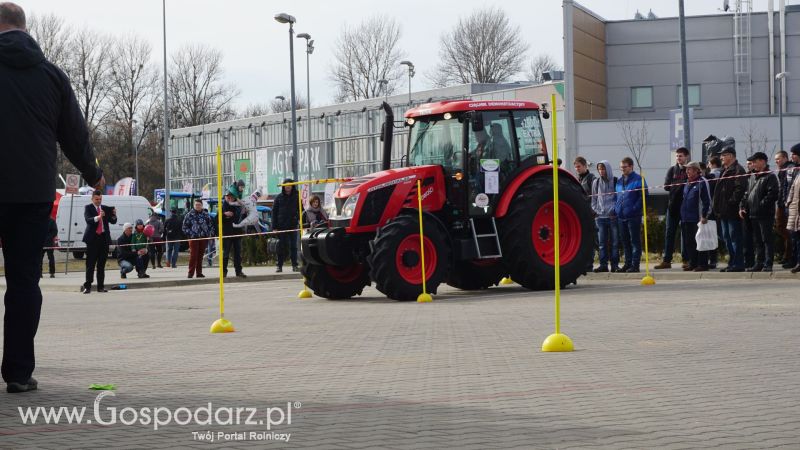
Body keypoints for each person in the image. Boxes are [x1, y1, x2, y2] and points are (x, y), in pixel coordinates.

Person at [0, 3, 105, 393]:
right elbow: (75, 136)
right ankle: (18, 373)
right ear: (25, 30)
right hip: (31, 194)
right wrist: (95, 175)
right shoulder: (52, 76)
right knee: (24, 282)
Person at [740, 152, 779, 272]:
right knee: (757, 240)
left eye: (755, 161)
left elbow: (772, 194)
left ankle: (768, 264)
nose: (753, 164)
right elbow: (747, 193)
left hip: (765, 214)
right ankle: (759, 263)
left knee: (766, 239)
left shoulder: (770, 176)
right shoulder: (752, 176)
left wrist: (760, 206)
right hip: (752, 214)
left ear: (763, 161)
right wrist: (742, 206)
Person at [712, 147, 747, 272]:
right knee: (726, 238)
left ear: (731, 156)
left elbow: (739, 190)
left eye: (724, 155)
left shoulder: (738, 170)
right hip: (723, 212)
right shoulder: (724, 170)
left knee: (734, 238)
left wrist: (730, 203)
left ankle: (738, 263)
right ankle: (732, 262)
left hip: (732, 211)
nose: (721, 157)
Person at [655, 147, 689, 269]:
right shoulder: (672, 170)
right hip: (672, 206)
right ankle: (667, 261)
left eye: (681, 156)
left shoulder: (690, 170)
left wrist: (676, 186)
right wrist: (679, 185)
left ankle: (686, 260)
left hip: (685, 207)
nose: (678, 158)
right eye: (677, 156)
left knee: (685, 234)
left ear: (686, 157)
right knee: (669, 233)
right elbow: (666, 186)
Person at [615, 157, 647, 273]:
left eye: (625, 167)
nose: (622, 169)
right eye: (621, 167)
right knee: (625, 241)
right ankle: (627, 264)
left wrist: (635, 209)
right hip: (621, 216)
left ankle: (635, 265)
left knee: (635, 241)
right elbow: (617, 197)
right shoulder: (619, 181)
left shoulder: (639, 180)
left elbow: (643, 197)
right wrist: (616, 209)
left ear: (631, 166)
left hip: (633, 216)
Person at [82, 190, 117, 294]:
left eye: (100, 199)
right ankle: (87, 287)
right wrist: (99, 217)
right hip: (93, 239)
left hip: (103, 239)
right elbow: (88, 220)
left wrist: (114, 215)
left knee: (101, 265)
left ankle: (100, 287)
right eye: (96, 199)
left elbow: (113, 221)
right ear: (92, 199)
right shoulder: (88, 208)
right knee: (90, 264)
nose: (98, 201)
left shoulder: (105, 208)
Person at [680, 162, 713, 271]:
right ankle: (692, 263)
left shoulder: (702, 182)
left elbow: (707, 200)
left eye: (689, 169)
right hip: (686, 217)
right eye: (687, 170)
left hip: (698, 218)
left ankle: (703, 264)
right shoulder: (687, 183)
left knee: (700, 241)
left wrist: (704, 215)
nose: (687, 172)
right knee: (689, 242)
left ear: (696, 170)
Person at [591, 160, 619, 272]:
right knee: (602, 243)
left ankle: (615, 265)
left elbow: (619, 199)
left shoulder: (616, 181)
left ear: (608, 169)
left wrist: (614, 211)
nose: (601, 171)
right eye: (599, 169)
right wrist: (596, 210)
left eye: (603, 169)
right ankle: (603, 265)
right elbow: (593, 199)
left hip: (613, 217)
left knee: (615, 242)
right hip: (600, 218)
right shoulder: (596, 182)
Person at [272, 178, 300, 272]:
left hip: (293, 225)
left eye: (289, 185)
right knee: (281, 246)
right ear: (283, 187)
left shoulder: (297, 196)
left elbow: (302, 210)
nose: (287, 187)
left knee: (294, 246)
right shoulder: (278, 197)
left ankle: (295, 265)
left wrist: (300, 221)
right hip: (281, 226)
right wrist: (274, 227)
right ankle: (279, 266)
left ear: (292, 186)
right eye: (286, 185)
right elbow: (274, 213)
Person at [774, 150, 795, 269]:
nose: (776, 161)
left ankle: (789, 256)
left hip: (788, 204)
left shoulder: (790, 168)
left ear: (785, 158)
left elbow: (789, 187)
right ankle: (787, 255)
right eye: (776, 160)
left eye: (778, 159)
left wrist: (786, 202)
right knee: (780, 227)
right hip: (781, 203)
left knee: (790, 231)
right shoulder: (781, 171)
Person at [182, 199, 214, 278]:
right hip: (193, 239)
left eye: (199, 205)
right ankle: (190, 273)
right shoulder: (189, 215)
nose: (197, 206)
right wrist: (191, 234)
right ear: (194, 205)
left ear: (202, 205)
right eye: (196, 205)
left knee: (200, 256)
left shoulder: (206, 215)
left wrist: (209, 234)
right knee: (193, 255)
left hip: (203, 238)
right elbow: (184, 227)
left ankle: (199, 273)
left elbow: (210, 226)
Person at [222, 190, 246, 278]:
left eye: (231, 197)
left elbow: (242, 218)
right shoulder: (222, 207)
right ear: (225, 197)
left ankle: (239, 271)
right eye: (228, 197)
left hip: (237, 232)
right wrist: (224, 214)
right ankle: (223, 272)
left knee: (238, 254)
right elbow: (216, 219)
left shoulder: (238, 206)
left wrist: (244, 213)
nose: (229, 198)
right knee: (225, 254)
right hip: (227, 234)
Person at [785, 153, 800, 273]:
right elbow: (791, 189)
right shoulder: (795, 171)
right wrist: (788, 203)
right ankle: (797, 261)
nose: (792, 157)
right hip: (794, 209)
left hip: (797, 209)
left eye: (794, 154)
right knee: (796, 238)